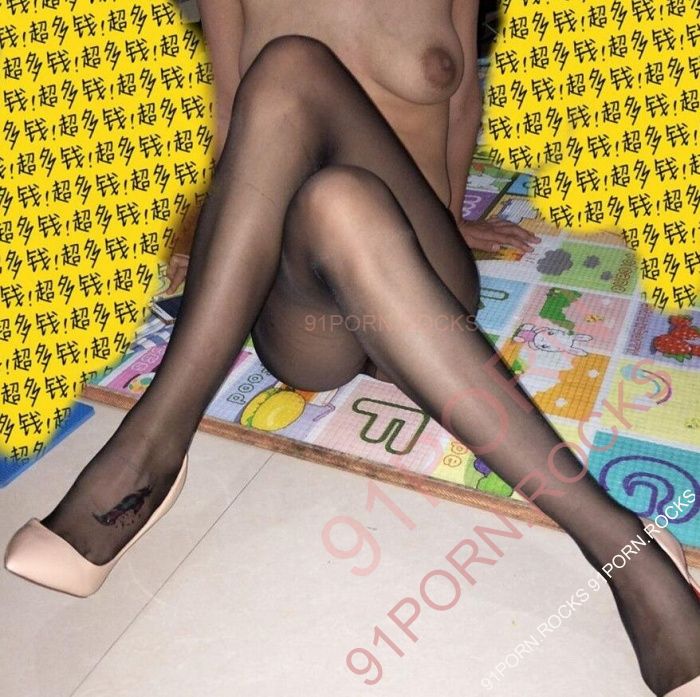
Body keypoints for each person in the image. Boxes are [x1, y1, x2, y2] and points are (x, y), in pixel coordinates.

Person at [4, 2, 700, 695]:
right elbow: (227, 114)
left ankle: (148, 451)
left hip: (421, 273)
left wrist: (452, 218)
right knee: (311, 131)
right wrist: (203, 240)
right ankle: (625, 543)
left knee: (308, 102)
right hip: (305, 310)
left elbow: (461, 103)